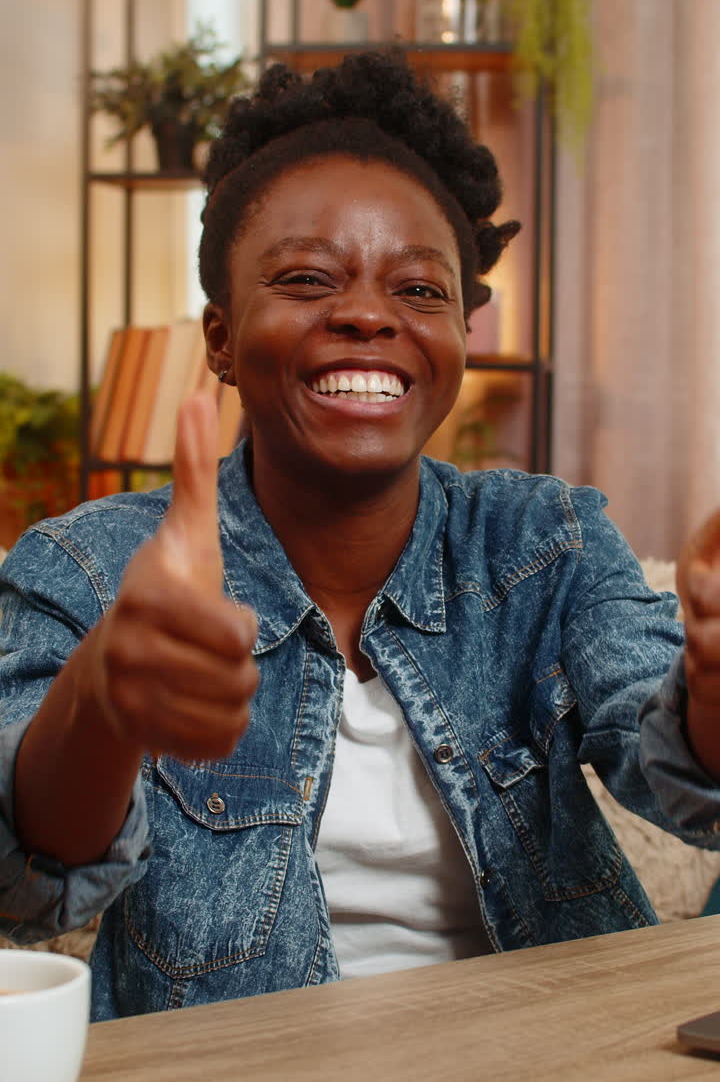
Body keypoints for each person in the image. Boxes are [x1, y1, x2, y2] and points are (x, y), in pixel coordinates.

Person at [2, 51, 720, 1022]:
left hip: (552, 1076)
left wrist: (713, 683)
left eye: (421, 291)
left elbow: (679, 777)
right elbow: (23, 887)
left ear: (464, 331)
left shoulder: (548, 539)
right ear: (219, 336)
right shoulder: (84, 566)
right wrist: (104, 697)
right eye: (306, 278)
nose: (368, 315)